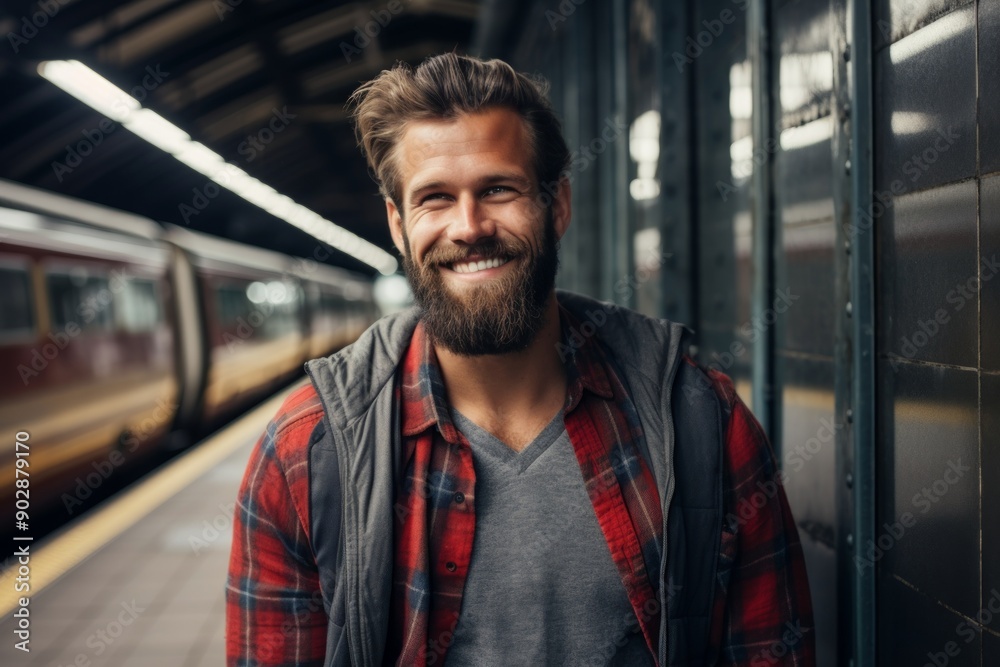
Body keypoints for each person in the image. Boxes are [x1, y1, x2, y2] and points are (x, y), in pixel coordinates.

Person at [226, 52, 814, 666]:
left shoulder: (702, 425)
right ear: (398, 226)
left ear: (556, 206)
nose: (469, 226)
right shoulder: (306, 456)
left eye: (498, 189)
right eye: (435, 199)